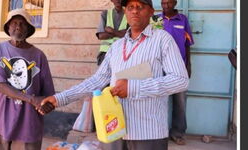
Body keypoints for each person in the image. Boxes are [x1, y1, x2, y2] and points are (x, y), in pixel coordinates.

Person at [39, 0, 189, 149]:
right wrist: (59, 99)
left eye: (140, 7)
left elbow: (180, 80)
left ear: (151, 12)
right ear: (126, 12)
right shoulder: (116, 46)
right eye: (130, 7)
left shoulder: (162, 39)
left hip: (148, 132)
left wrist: (132, 88)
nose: (135, 11)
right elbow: (97, 80)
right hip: (113, 130)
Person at [0, 9, 55, 150]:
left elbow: (47, 93)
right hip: (1, 119)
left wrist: (47, 105)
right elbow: (1, 85)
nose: (18, 27)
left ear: (28, 29)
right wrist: (32, 100)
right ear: (8, 27)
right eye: (14, 23)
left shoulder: (39, 56)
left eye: (22, 24)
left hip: (28, 123)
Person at [158, 0, 194, 145]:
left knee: (180, 102)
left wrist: (189, 65)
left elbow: (187, 44)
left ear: (175, 2)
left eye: (168, 2)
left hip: (179, 67)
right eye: (163, 2)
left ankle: (177, 133)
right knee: (159, 101)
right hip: (159, 67)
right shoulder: (156, 20)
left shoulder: (183, 20)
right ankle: (159, 133)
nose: (165, 5)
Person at [96, 0, 128, 65]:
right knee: (104, 74)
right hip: (105, 53)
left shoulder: (129, 14)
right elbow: (101, 36)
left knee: (119, 74)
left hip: (122, 53)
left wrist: (111, 31)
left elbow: (128, 35)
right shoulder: (105, 14)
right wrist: (120, 33)